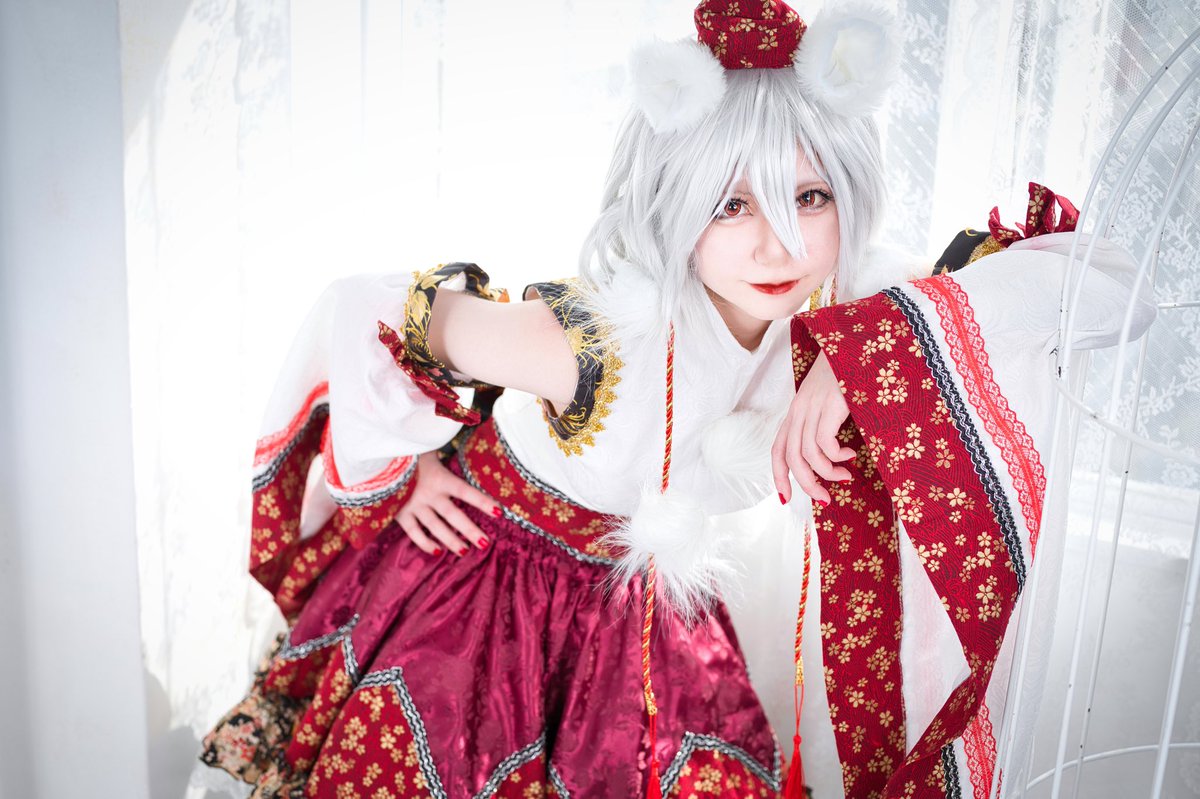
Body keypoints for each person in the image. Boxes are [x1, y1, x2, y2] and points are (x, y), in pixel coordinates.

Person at [199, 2, 1157, 797]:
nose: (780, 245)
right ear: (675, 202)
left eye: (810, 198)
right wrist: (400, 470)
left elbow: (1111, 287)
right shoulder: (595, 342)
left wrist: (860, 353)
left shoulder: (848, 300)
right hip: (493, 594)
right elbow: (360, 308)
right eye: (732, 205)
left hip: (648, 606)